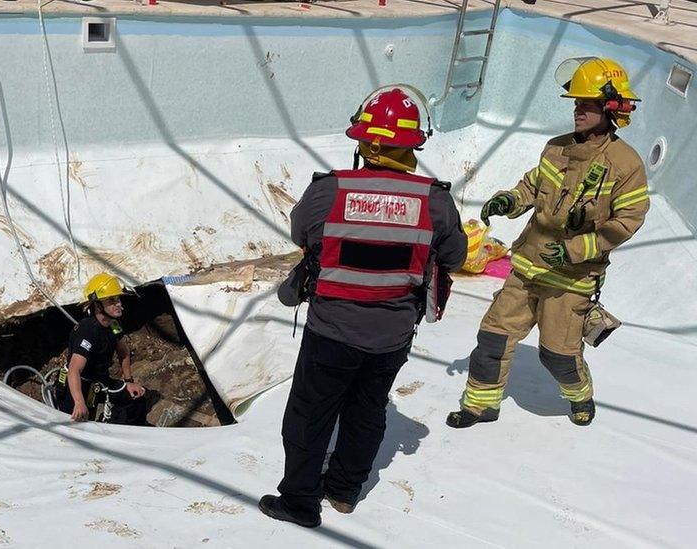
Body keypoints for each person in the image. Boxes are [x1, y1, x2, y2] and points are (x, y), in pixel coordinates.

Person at [259, 86, 467, 528]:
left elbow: (303, 236)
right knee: (367, 409)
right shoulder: (436, 200)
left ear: (366, 143)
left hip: (331, 331)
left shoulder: (328, 191)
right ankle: (344, 491)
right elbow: (455, 258)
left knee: (309, 415)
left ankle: (299, 501)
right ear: (412, 145)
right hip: (391, 336)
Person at [447, 57, 649, 429]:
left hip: (571, 278)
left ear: (611, 109)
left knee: (558, 355)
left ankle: (579, 395)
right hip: (527, 265)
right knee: (493, 337)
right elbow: (533, 185)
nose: (577, 110)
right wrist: (510, 200)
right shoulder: (555, 148)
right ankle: (480, 405)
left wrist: (573, 250)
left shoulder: (626, 165)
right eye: (575, 103)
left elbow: (627, 222)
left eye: (586, 104)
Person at [56, 272, 148, 425]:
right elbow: (74, 370)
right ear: (97, 305)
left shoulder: (114, 326)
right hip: (77, 386)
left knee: (136, 399)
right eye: (111, 300)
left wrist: (128, 381)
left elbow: (123, 352)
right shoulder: (88, 330)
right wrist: (79, 402)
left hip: (99, 382)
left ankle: (128, 435)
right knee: (78, 424)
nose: (118, 304)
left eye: (118, 299)